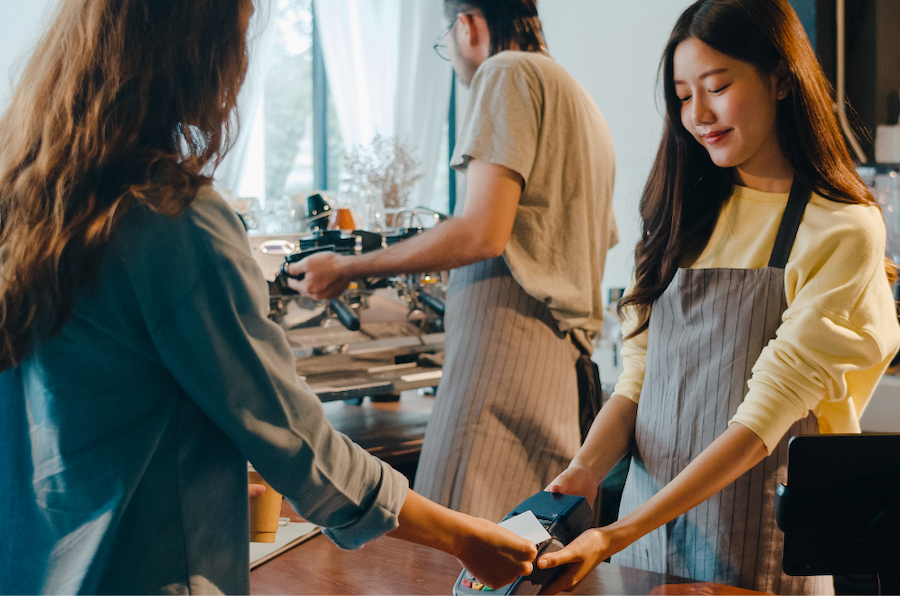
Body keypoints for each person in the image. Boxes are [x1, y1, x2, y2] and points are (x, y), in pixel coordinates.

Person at [0, 0, 539, 593]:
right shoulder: (176, 219)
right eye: (239, 36)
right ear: (195, 49)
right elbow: (300, 446)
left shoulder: (25, 203)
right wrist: (464, 536)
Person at [535, 0, 900, 594]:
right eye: (682, 95)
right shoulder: (680, 218)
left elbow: (763, 421)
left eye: (717, 86)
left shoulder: (842, 228)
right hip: (648, 539)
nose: (697, 114)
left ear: (781, 79)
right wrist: (582, 473)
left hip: (759, 547)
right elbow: (637, 384)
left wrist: (614, 534)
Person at [286, 0, 617, 523]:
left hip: (502, 351)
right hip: (558, 363)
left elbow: (481, 232)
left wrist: (348, 267)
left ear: (467, 26)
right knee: (525, 548)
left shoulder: (505, 71)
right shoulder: (579, 101)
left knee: (457, 538)